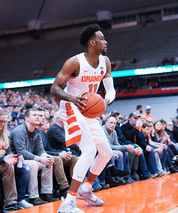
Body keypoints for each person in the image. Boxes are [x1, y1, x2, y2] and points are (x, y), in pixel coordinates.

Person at [50, 24, 115, 213]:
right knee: (89, 149)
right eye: (102, 38)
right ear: (92, 42)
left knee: (106, 153)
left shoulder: (105, 62)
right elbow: (54, 88)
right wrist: (71, 97)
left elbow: (110, 89)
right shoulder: (74, 62)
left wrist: (106, 101)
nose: (106, 41)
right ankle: (68, 203)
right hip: (71, 107)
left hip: (88, 110)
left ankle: (85, 189)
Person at [9, 108, 59, 206]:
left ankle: (46, 193)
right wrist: (40, 159)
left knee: (48, 162)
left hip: (29, 159)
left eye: (39, 115)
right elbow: (21, 152)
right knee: (33, 164)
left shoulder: (37, 132)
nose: (38, 117)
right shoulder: (19, 131)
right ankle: (33, 197)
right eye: (34, 115)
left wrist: (46, 156)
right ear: (26, 118)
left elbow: (40, 150)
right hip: (17, 161)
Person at [0, 109, 33, 209]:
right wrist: (7, 159)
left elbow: (8, 151)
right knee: (9, 166)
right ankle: (9, 203)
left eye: (4, 122)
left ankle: (20, 200)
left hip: (3, 161)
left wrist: (14, 157)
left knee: (24, 168)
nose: (2, 124)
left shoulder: (5, 133)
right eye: (0, 121)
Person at [42, 110, 78, 198]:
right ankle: (65, 188)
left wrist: (60, 153)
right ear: (58, 118)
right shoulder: (53, 129)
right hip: (49, 156)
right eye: (64, 116)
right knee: (58, 159)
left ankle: (76, 185)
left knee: (73, 157)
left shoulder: (46, 131)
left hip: (55, 153)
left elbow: (48, 148)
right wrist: (59, 154)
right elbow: (67, 142)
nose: (67, 118)